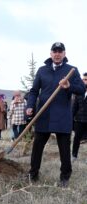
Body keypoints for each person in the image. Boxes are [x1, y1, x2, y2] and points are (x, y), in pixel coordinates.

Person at [26, 42, 85, 187]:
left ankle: (65, 177)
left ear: (64, 54)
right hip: (44, 114)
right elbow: (34, 91)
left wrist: (69, 86)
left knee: (64, 149)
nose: (57, 54)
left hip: (62, 115)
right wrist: (29, 106)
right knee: (37, 147)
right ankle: (33, 174)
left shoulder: (72, 70)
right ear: (51, 53)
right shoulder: (42, 70)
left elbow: (81, 89)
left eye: (60, 51)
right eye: (55, 51)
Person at [71, 72, 87, 161]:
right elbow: (74, 107)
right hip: (79, 120)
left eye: (86, 79)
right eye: (83, 79)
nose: (84, 81)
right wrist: (71, 119)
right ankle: (74, 155)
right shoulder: (79, 92)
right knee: (76, 138)